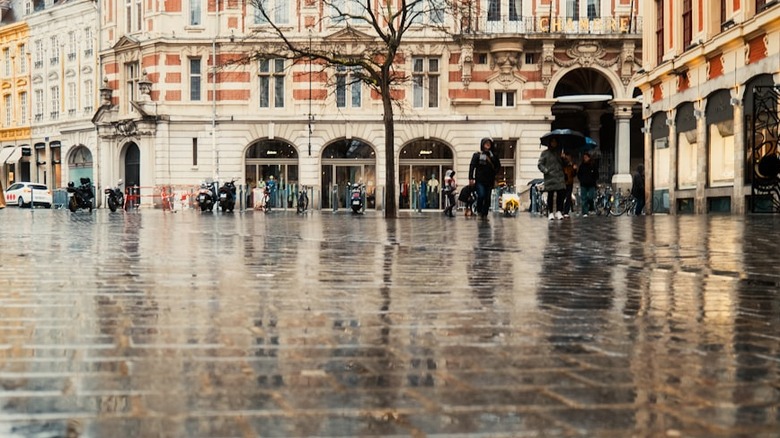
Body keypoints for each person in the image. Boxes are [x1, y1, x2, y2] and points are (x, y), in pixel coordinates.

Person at [468, 137, 501, 220]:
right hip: (480, 180)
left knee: (487, 198)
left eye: (489, 144)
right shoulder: (478, 155)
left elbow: (498, 166)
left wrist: (495, 173)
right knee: (481, 195)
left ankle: (485, 213)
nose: (487, 145)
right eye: (486, 143)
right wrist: (471, 178)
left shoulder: (493, 155)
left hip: (490, 180)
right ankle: (479, 211)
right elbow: (472, 166)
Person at [537, 138, 566, 220]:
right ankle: (550, 212)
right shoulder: (545, 153)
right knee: (550, 194)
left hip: (559, 176)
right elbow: (540, 164)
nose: (554, 143)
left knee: (561, 194)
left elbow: (565, 165)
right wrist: (546, 171)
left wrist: (564, 158)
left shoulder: (559, 153)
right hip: (550, 177)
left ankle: (559, 211)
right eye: (552, 142)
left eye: (555, 142)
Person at [576, 151, 599, 216]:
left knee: (590, 197)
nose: (585, 159)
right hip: (583, 184)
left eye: (586, 157)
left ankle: (591, 207)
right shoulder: (582, 166)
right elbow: (579, 174)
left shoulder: (593, 165)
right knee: (584, 198)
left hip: (591, 184)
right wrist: (581, 180)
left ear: (589, 158)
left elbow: (596, 174)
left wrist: (594, 180)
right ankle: (585, 212)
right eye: (584, 157)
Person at [562, 151, 576, 218]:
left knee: (568, 197)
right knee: (562, 197)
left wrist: (574, 169)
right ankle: (561, 210)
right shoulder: (562, 163)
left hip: (569, 182)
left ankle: (566, 211)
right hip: (563, 182)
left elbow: (573, 174)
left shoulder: (572, 164)